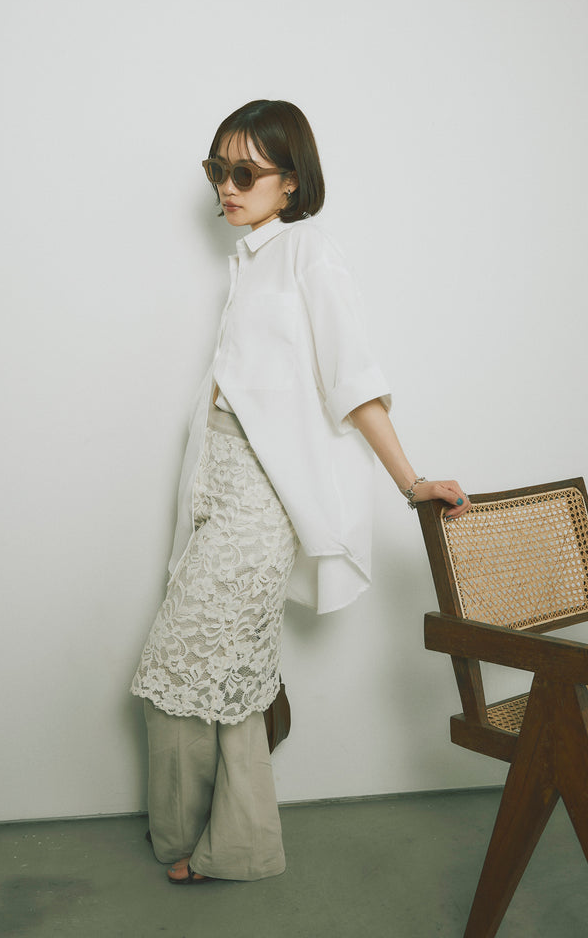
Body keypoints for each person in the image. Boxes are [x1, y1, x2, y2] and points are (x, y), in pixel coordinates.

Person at [130, 99, 470, 885]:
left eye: (243, 171)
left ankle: (214, 841)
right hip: (214, 483)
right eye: (216, 169)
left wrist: (410, 481)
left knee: (184, 658)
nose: (226, 186)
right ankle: (220, 842)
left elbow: (352, 379)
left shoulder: (308, 251)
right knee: (214, 665)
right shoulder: (249, 261)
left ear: (291, 180)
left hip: (262, 497)